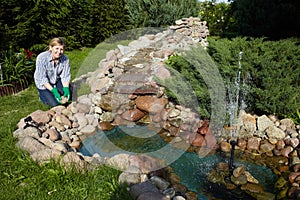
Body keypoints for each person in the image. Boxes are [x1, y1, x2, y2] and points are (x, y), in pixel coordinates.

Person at [34, 37, 72, 106]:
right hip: (44, 84)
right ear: (51, 48)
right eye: (56, 48)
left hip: (56, 80)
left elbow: (65, 75)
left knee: (70, 92)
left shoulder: (65, 59)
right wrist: (54, 91)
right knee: (55, 103)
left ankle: (57, 90)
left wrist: (66, 88)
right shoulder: (41, 58)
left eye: (61, 49)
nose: (59, 52)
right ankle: (42, 97)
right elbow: (42, 79)